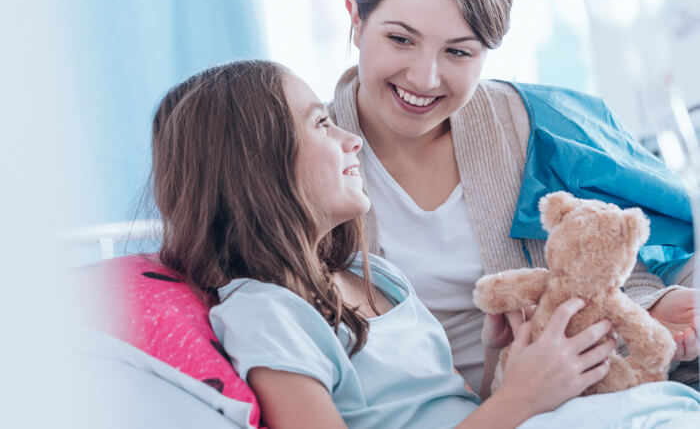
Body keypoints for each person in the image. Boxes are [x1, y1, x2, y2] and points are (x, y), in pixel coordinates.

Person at [148, 59, 626, 428]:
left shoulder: (374, 274)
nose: (350, 139)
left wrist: (502, 362)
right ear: (255, 167)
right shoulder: (267, 315)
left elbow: (451, 413)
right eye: (319, 124)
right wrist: (518, 399)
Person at [329, 0, 700, 394]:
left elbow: (621, 265)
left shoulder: (539, 128)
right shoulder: (298, 160)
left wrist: (653, 306)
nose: (424, 77)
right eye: (400, 39)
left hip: (582, 396)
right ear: (356, 19)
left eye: (457, 51)